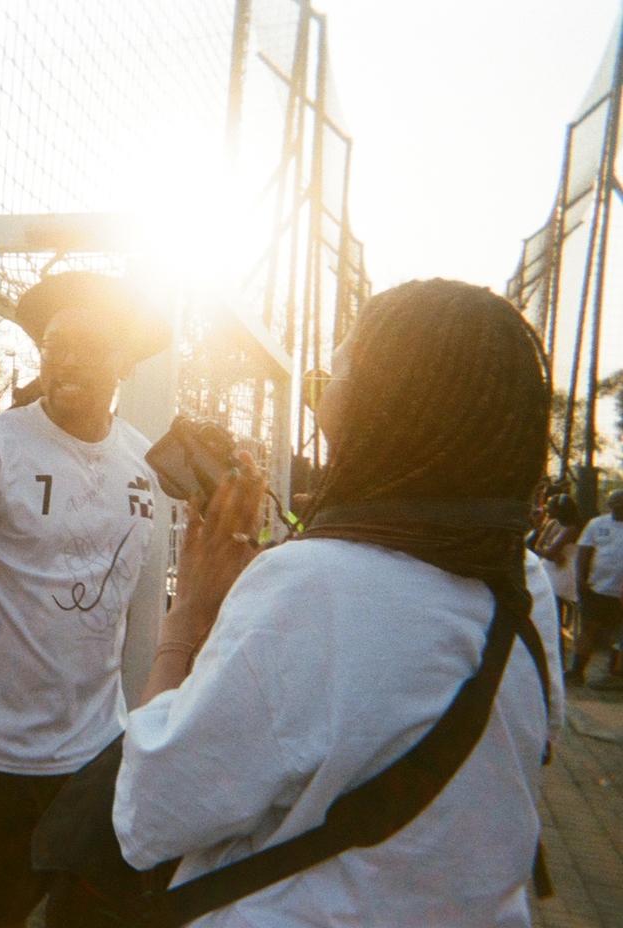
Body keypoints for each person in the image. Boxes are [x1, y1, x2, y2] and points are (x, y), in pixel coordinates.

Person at [107, 279, 563, 927]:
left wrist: (192, 619)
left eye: (330, 383)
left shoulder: (312, 587)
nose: (319, 401)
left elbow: (151, 813)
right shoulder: (529, 584)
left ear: (383, 406)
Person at [0, 271, 169, 928]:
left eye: (87, 345)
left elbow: (138, 612)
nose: (64, 359)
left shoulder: (145, 467)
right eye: (52, 344)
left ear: (125, 359)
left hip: (91, 759)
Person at [570, 488, 623, 686]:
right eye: (615, 504)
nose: (619, 508)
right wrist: (580, 578)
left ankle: (615, 675)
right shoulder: (597, 524)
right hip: (596, 589)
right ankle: (577, 671)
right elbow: (584, 551)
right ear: (609, 506)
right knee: (589, 630)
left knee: (619, 635)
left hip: (620, 593)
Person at [536, 492, 583, 671]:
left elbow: (548, 551)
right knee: (549, 619)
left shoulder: (572, 528)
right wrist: (549, 552)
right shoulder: (553, 523)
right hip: (550, 571)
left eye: (552, 506)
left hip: (562, 577)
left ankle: (558, 663)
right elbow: (538, 546)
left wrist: (549, 552)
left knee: (554, 621)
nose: (548, 510)